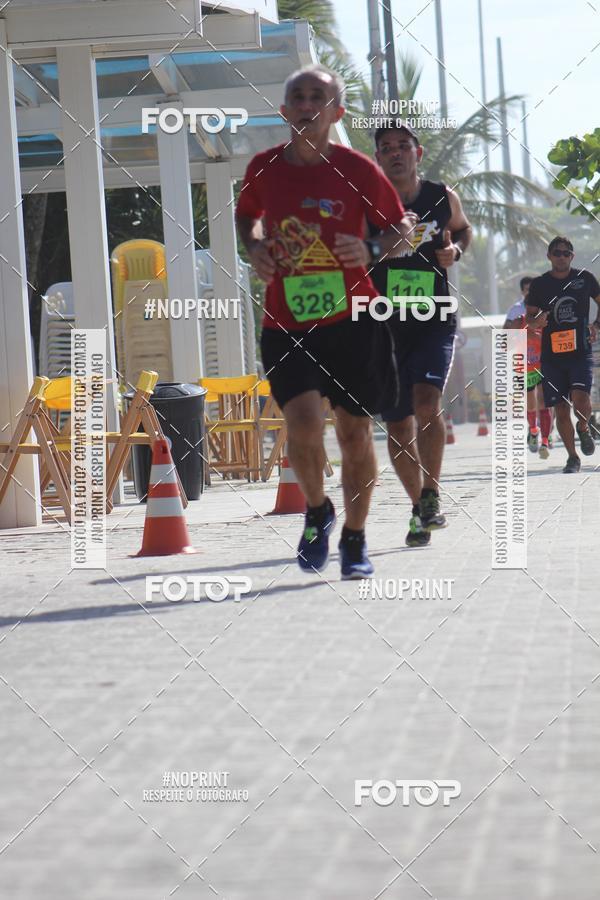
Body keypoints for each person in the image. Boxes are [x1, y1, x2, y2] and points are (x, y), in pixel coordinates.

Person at [235, 66, 414, 578]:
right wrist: (253, 248)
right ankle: (318, 510)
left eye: (320, 96)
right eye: (299, 96)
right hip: (286, 323)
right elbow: (246, 214)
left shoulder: (357, 169)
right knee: (304, 424)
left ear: (336, 112)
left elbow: (401, 226)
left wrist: (373, 246)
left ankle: (355, 539)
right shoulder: (263, 168)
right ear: (285, 110)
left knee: (356, 435)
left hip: (354, 322)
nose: (308, 103)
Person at [368, 123, 472, 547]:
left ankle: (430, 494)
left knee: (426, 402)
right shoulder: (366, 201)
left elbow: (462, 229)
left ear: (418, 152)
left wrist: (456, 250)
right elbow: (356, 250)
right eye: (387, 148)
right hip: (384, 324)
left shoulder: (441, 196)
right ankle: (418, 508)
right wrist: (386, 243)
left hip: (432, 316)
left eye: (403, 146)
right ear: (377, 157)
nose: (396, 153)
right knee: (397, 426)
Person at [526, 236, 600, 473]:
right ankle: (572, 457)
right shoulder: (539, 285)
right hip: (551, 357)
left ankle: (584, 427)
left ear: (572, 256)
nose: (561, 256)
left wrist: (596, 326)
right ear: (549, 256)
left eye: (566, 253)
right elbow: (529, 319)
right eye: (557, 253)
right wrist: (536, 321)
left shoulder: (585, 278)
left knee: (581, 400)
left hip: (580, 352)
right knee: (559, 408)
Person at [504, 276, 553, 458]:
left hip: (543, 362)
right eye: (527, 290)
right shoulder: (517, 312)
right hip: (523, 363)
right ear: (523, 292)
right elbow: (506, 338)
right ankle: (533, 430)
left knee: (544, 400)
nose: (530, 293)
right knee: (530, 402)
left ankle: (546, 442)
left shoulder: (546, 310)